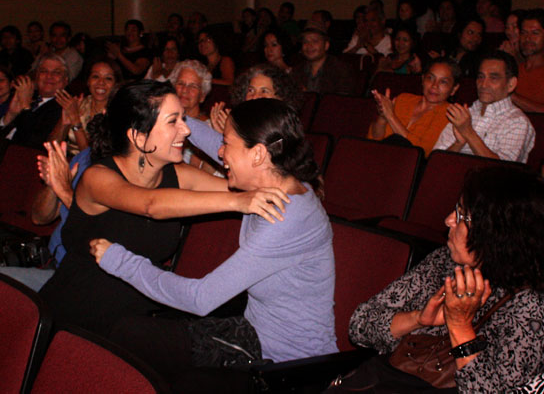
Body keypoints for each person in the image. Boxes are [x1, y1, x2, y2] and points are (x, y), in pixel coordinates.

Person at [89, 97, 337, 392]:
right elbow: (204, 137)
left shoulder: (285, 217)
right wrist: (162, 115)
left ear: (257, 154)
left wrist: (119, 261)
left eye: (227, 144)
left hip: (287, 366)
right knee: (128, 333)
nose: (219, 153)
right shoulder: (276, 178)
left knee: (184, 383)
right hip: (251, 335)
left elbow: (200, 298)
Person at [38, 81, 289, 338]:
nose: (186, 130)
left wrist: (291, 184)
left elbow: (242, 189)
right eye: (173, 121)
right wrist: (240, 202)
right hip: (73, 317)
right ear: (138, 136)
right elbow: (150, 204)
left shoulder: (178, 174)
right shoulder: (98, 177)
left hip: (134, 321)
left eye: (184, 119)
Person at [326, 166, 544, 393]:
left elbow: (485, 389)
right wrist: (419, 319)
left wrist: (460, 326)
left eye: (461, 215)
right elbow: (359, 326)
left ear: (497, 232)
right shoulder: (444, 262)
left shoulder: (530, 305)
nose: (448, 220)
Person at [433, 50, 535, 163]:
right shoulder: (465, 113)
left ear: (511, 84)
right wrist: (458, 144)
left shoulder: (517, 122)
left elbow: (503, 170)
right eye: (481, 77)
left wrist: (468, 132)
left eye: (493, 78)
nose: (483, 84)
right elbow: (436, 163)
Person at [368, 57, 461, 156]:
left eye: (443, 82)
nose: (434, 85)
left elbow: (421, 151)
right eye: (430, 78)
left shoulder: (450, 115)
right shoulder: (403, 99)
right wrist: (383, 117)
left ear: (454, 89)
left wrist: (390, 117)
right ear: (422, 79)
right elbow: (374, 139)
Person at [0, 53, 67, 148]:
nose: (49, 76)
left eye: (56, 73)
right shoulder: (28, 95)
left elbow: (32, 143)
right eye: (43, 71)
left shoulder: (63, 107)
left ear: (65, 80)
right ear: (37, 77)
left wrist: (26, 107)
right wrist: (10, 115)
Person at [50, 58, 120, 156]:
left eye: (108, 78)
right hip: (67, 161)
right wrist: (64, 122)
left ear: (115, 84)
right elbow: (51, 147)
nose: (101, 82)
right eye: (95, 76)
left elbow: (91, 157)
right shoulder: (78, 104)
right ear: (88, 81)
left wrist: (75, 120)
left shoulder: (119, 112)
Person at [210, 64, 300, 135]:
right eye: (251, 90)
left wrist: (232, 133)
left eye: (264, 91)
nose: (255, 96)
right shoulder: (242, 124)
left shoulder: (284, 130)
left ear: (280, 97)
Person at [167, 60, 220, 174]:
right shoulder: (163, 121)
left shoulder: (210, 129)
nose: (185, 90)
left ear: (202, 96)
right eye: (181, 83)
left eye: (193, 86)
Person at [292, 21, 357, 95]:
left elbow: (342, 100)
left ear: (326, 45)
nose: (309, 46)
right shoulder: (297, 71)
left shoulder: (341, 70)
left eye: (315, 41)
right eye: (305, 42)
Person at [512, 9, 544, 113]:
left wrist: (511, 96)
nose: (528, 38)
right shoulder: (514, 70)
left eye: (535, 33)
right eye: (524, 33)